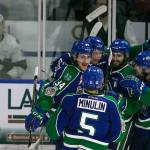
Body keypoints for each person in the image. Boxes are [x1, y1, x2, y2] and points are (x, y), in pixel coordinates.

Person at [45, 66, 123, 150]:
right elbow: (118, 136)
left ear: (82, 81)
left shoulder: (70, 99)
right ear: (101, 83)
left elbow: (53, 132)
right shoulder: (111, 103)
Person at [25, 39, 92, 132]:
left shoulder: (90, 71)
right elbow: (51, 91)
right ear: (75, 57)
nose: (85, 61)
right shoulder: (71, 73)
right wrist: (39, 112)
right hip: (65, 119)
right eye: (82, 57)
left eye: (88, 57)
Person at [0, 14, 27, 79]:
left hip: (6, 83)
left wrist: (7, 76)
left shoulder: (13, 43)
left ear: (3, 26)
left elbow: (22, 66)